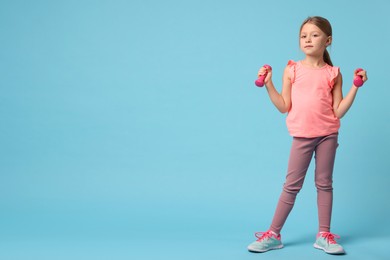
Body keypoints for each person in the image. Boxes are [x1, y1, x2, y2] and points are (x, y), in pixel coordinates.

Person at [247, 16, 368, 255]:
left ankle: (324, 235)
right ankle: (273, 234)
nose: (308, 39)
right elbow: (284, 106)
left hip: (327, 136)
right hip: (302, 136)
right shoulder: (292, 69)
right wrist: (269, 84)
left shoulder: (333, 73)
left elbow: (338, 111)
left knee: (324, 184)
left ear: (328, 40)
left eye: (314, 35)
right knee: (291, 186)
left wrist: (356, 87)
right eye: (304, 36)